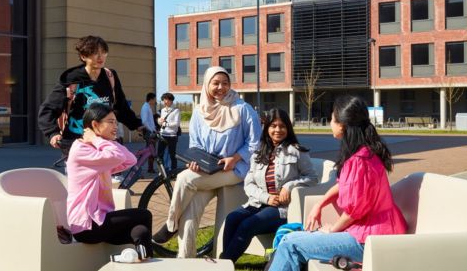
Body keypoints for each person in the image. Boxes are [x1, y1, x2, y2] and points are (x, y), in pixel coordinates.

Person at [267, 95, 407, 271]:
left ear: (343, 124)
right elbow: (343, 185)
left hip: (368, 240)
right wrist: (319, 204)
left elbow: (354, 212)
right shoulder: (361, 154)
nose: (330, 123)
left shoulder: (361, 160)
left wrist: (332, 231)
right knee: (288, 237)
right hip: (366, 234)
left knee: (290, 245)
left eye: (332, 119)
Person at [152, 66, 262, 258]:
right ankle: (186, 263)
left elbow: (255, 142)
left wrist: (235, 157)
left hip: (233, 169)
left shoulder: (242, 109)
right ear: (207, 85)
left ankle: (170, 225)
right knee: (189, 214)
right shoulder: (199, 112)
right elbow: (195, 145)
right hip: (207, 171)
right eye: (216, 83)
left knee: (185, 179)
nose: (221, 87)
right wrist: (194, 162)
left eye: (225, 83)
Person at [221, 108, 318, 263]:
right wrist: (266, 197)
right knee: (232, 218)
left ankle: (224, 263)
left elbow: (312, 178)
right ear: (266, 128)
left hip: (281, 209)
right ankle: (225, 262)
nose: (278, 130)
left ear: (288, 128)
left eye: (282, 126)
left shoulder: (297, 151)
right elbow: (249, 184)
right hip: (259, 203)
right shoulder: (259, 152)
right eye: (273, 126)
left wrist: (290, 186)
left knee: (248, 225)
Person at [66, 102, 153, 257]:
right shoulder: (81, 149)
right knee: (144, 215)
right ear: (95, 124)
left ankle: (145, 261)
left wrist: (101, 140)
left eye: (116, 122)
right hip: (87, 225)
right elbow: (118, 156)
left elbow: (130, 159)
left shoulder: (97, 150)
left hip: (102, 221)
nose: (116, 126)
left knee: (141, 232)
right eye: (111, 122)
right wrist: (98, 140)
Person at [38, 35, 143, 159]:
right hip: (76, 142)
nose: (100, 57)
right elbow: (48, 109)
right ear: (84, 56)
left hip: (103, 142)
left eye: (103, 52)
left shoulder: (110, 77)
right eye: (95, 53)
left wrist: (137, 125)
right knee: (82, 178)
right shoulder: (72, 79)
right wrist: (53, 133)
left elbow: (120, 107)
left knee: (107, 176)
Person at [157, 92, 181, 171]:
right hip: (162, 135)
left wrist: (166, 124)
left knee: (172, 155)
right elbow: (161, 121)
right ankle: (162, 171)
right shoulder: (163, 110)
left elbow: (176, 124)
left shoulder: (176, 111)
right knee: (159, 155)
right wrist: (159, 122)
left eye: (167, 99)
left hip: (172, 136)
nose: (165, 101)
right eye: (164, 99)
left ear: (171, 101)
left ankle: (174, 171)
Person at [140, 92, 157, 173]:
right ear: (151, 99)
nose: (155, 101)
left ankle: (150, 168)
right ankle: (148, 168)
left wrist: (154, 129)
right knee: (150, 150)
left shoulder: (148, 107)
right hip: (148, 132)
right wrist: (151, 130)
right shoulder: (145, 107)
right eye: (154, 99)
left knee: (151, 150)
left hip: (150, 131)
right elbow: (145, 121)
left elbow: (150, 121)